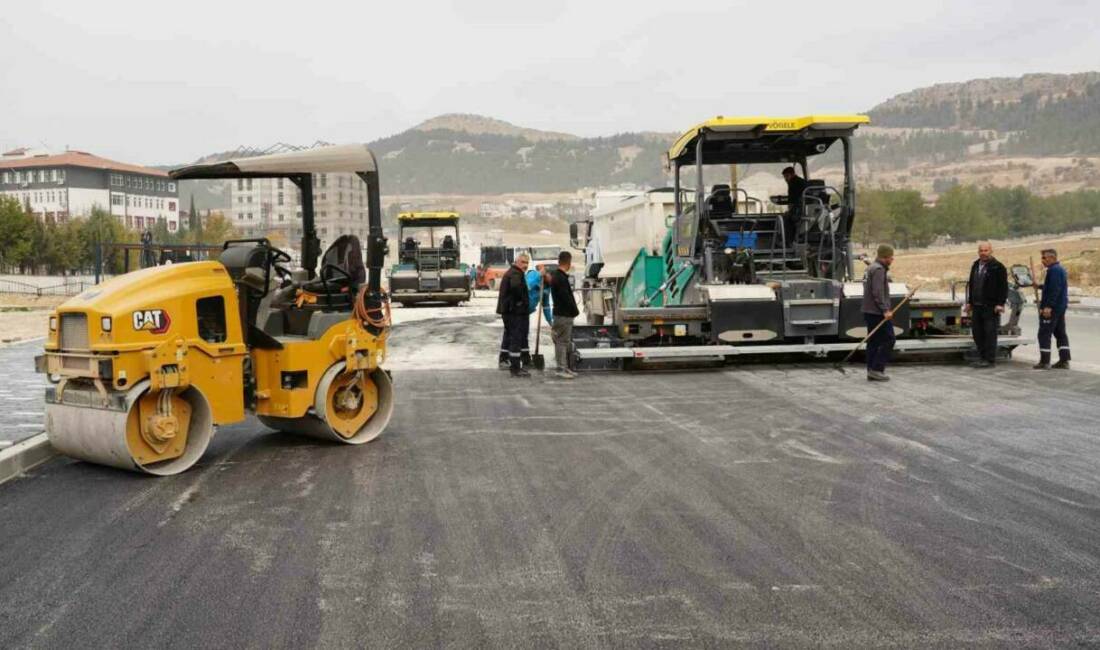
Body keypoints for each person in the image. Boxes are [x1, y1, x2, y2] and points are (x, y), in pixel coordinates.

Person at [964, 241, 1008, 368]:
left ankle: (990, 360)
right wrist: (970, 302)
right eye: (981, 251)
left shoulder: (998, 267)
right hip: (976, 306)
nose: (983, 253)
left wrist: (1000, 303)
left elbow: (1003, 287)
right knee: (977, 332)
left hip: (990, 306)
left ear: (991, 251)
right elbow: (972, 285)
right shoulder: (975, 265)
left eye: (986, 250)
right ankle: (982, 357)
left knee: (989, 333)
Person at [861, 244, 896, 382]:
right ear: (885, 257)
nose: (892, 259)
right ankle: (877, 369)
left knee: (874, 341)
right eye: (891, 257)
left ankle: (871, 370)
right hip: (876, 312)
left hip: (869, 311)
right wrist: (885, 310)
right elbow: (877, 292)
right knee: (889, 339)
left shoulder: (872, 267)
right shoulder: (879, 269)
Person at [1034, 248, 1071, 370]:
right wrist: (1039, 286)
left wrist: (1048, 307)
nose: (1042, 260)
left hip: (1053, 308)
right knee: (1060, 333)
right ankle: (1064, 360)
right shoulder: (1058, 270)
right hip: (1060, 307)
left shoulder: (1054, 270)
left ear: (1051, 258)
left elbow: (1054, 290)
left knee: (1044, 333)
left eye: (1044, 258)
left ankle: (1045, 362)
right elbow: (1051, 287)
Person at [545, 251, 580, 379]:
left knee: (562, 341)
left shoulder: (556, 276)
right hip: (563, 315)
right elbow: (567, 298)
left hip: (560, 314)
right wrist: (575, 311)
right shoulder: (561, 278)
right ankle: (561, 368)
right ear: (569, 263)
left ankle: (563, 367)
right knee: (562, 342)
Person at [496, 253, 531, 377]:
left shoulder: (513, 272)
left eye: (527, 263)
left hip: (510, 312)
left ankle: (512, 363)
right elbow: (516, 288)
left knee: (512, 336)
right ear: (517, 262)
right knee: (516, 339)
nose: (525, 265)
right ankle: (515, 368)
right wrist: (520, 302)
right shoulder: (516, 274)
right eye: (523, 262)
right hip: (514, 313)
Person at [781, 166, 808, 246]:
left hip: (799, 210)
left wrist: (789, 212)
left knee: (786, 218)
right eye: (784, 177)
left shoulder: (793, 183)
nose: (785, 179)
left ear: (792, 175)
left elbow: (792, 200)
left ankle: (788, 242)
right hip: (805, 209)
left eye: (786, 176)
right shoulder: (803, 181)